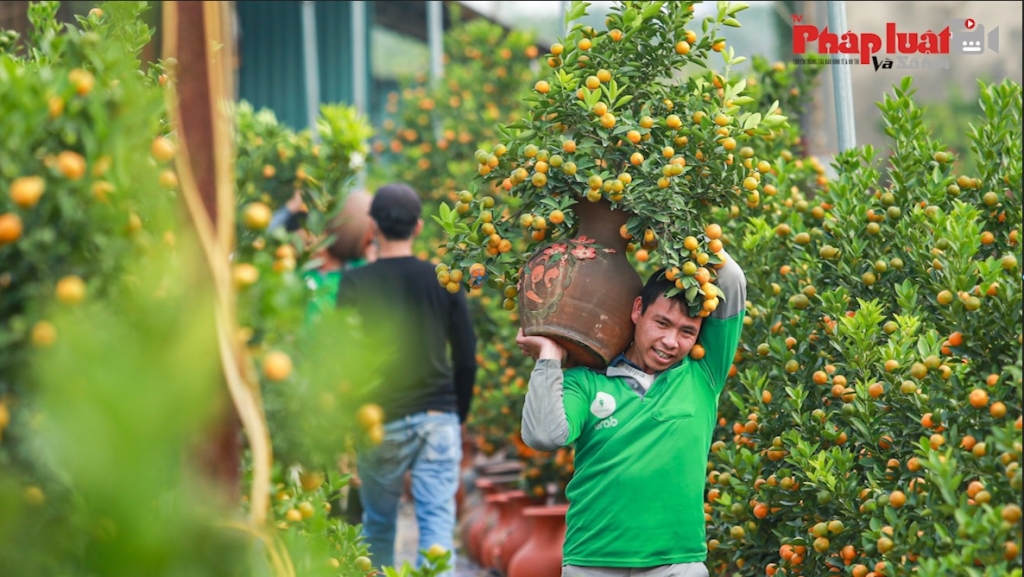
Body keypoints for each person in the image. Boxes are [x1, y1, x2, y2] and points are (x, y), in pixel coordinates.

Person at [517, 251, 746, 577]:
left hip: (676, 563)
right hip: (592, 559)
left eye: (687, 332)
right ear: (638, 310)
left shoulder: (703, 375)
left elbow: (732, 279)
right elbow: (543, 436)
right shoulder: (587, 382)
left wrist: (675, 224)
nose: (670, 342)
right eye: (662, 323)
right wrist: (549, 358)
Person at [336, 182, 477, 573]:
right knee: (436, 530)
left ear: (373, 227)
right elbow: (467, 357)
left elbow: (342, 362)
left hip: (379, 423)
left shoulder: (355, 284)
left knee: (378, 529)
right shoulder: (443, 278)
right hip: (438, 417)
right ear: (418, 227)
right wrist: (456, 414)